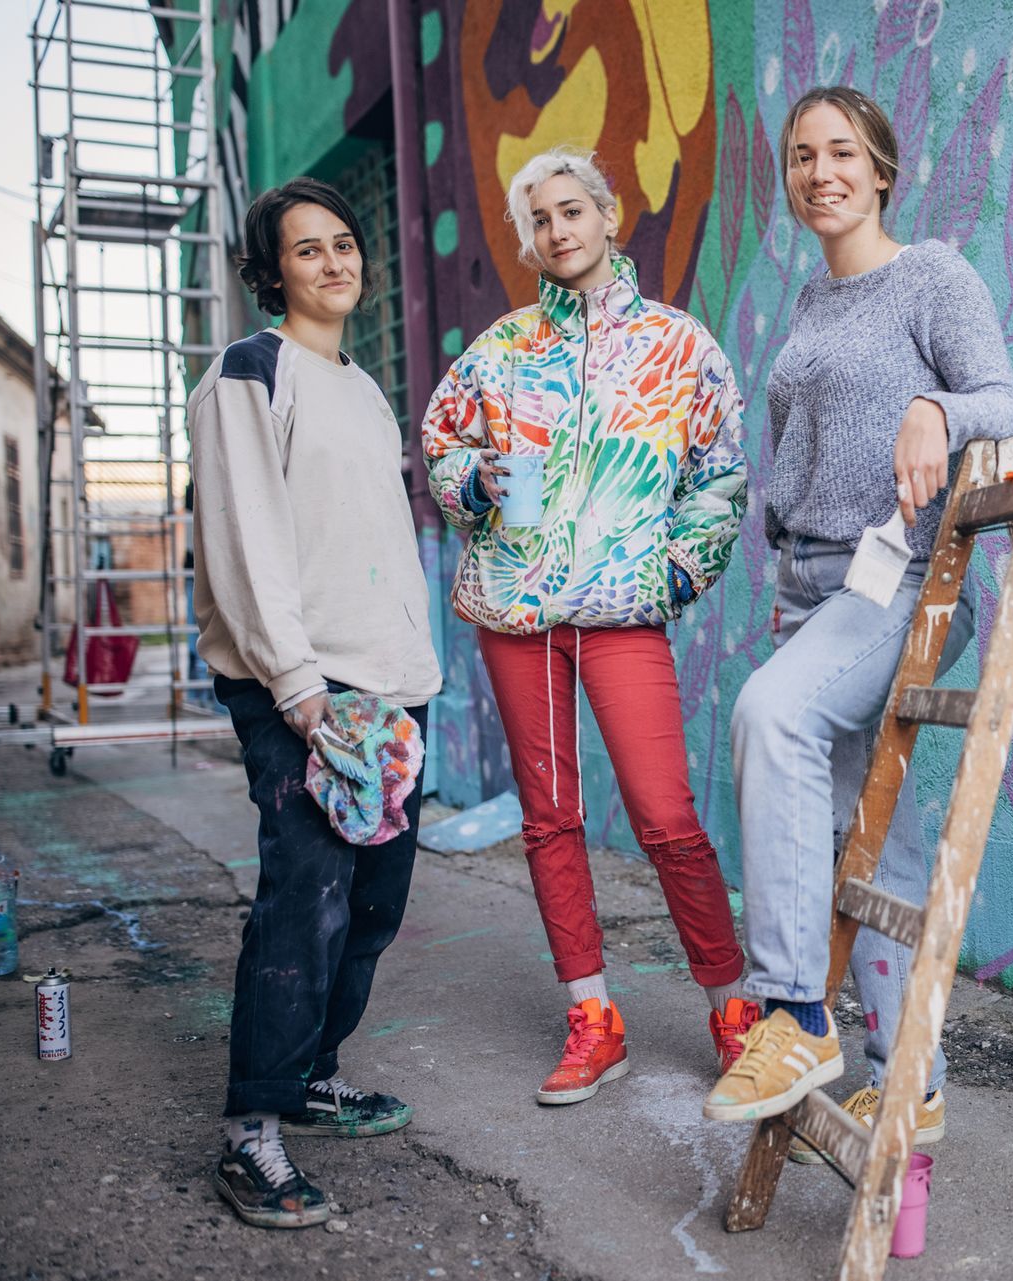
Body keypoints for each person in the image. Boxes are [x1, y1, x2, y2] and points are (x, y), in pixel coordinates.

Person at [702, 87, 1013, 1155]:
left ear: (881, 169)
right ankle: (911, 1079)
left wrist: (932, 408)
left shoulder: (929, 274)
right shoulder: (808, 305)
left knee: (769, 720)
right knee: (858, 840)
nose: (819, 171)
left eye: (841, 152)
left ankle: (793, 1014)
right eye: (801, 156)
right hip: (811, 590)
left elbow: (1006, 407)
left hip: (895, 585)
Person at [422, 146, 754, 1109]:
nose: (558, 231)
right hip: (516, 609)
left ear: (610, 216)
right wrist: (474, 483)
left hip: (620, 613)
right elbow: (446, 440)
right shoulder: (501, 349)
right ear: (526, 238)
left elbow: (719, 480)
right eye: (540, 219)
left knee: (666, 816)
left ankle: (731, 1006)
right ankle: (593, 1016)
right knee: (549, 819)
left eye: (573, 211)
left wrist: (671, 572)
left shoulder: (679, 345)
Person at [190, 177, 442, 1228]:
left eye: (345, 245)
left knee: (375, 902)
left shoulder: (367, 390)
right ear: (270, 272)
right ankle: (254, 1132)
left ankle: (312, 1072)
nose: (335, 262)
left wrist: (411, 676)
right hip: (305, 688)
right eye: (308, 250)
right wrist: (302, 696)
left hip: (389, 689)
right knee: (307, 898)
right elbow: (248, 543)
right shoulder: (248, 375)